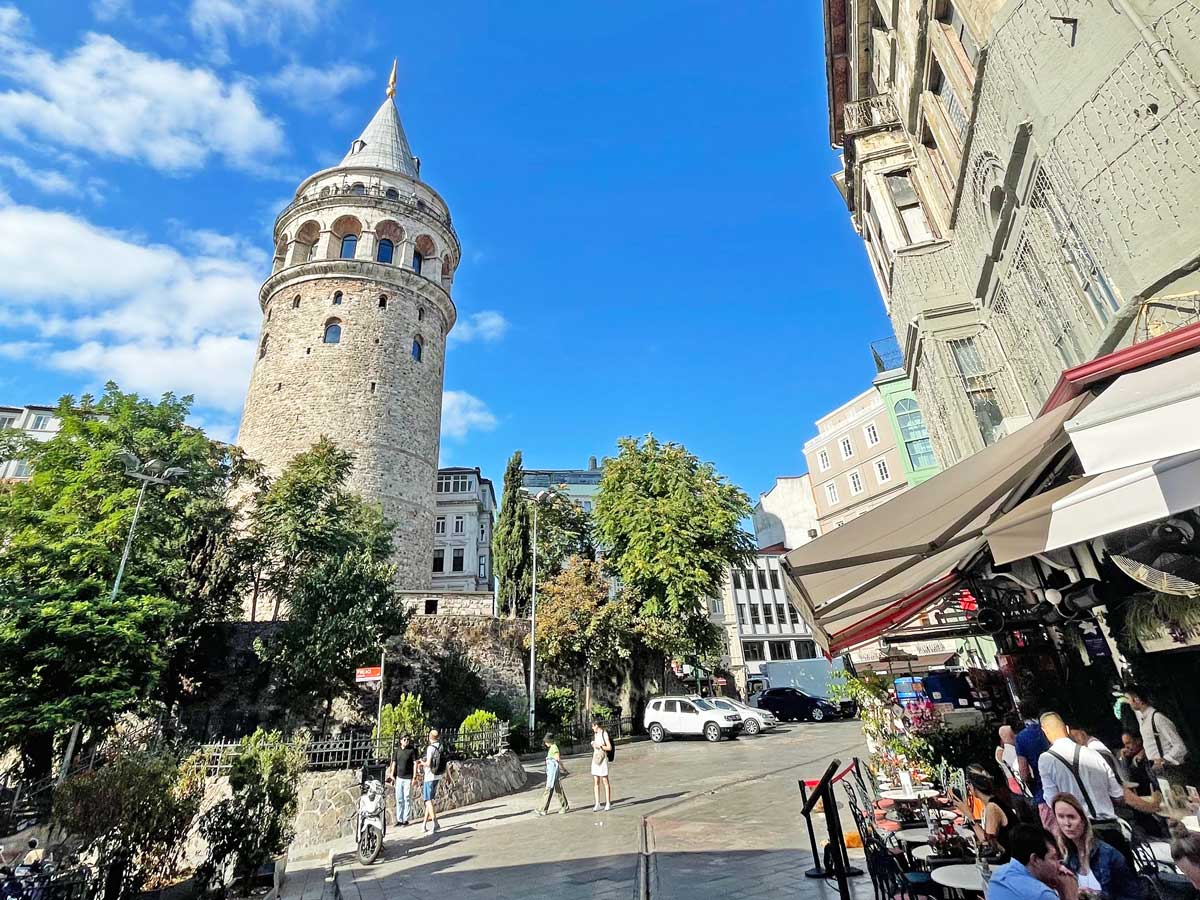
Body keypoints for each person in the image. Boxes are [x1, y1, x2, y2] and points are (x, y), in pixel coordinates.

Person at [1039, 712, 1157, 860]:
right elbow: (1118, 795)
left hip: (1081, 836)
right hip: (1111, 830)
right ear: (1067, 729)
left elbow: (1052, 801)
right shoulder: (1094, 755)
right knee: (1127, 878)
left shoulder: (1046, 760)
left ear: (1044, 732)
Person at [1052, 792, 1143, 899]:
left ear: (1083, 820)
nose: (1067, 823)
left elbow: (1132, 896)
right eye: (1061, 817)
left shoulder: (1109, 855)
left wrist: (1097, 896)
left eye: (1071, 817)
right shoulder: (1063, 858)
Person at [987, 823, 1080, 900]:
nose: (1059, 865)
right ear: (1035, 859)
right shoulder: (1041, 895)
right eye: (1053, 857)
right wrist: (1069, 892)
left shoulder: (998, 874)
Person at [1126, 685, 1188, 785]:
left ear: (1137, 699)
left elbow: (1180, 746)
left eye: (1128, 699)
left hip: (1169, 770)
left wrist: (1164, 760)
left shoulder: (1157, 718)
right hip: (1156, 770)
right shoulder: (1144, 720)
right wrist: (1143, 753)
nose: (1128, 702)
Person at [953, 765, 1015, 852]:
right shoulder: (993, 802)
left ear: (972, 786)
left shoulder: (992, 807)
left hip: (1010, 857)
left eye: (968, 784)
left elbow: (989, 844)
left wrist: (969, 815)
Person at [1016, 705, 1054, 828]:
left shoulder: (1021, 738)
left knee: (1054, 838)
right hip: (1066, 786)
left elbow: (1024, 772)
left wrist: (1029, 783)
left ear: (1021, 715)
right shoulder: (1049, 729)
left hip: (1043, 792)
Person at [534, 733, 569, 816]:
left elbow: (557, 759)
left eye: (546, 741)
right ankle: (564, 806)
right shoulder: (552, 748)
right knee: (557, 788)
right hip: (552, 772)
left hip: (553, 772)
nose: (545, 743)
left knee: (548, 789)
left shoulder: (554, 748)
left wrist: (563, 768)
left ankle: (542, 809)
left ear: (549, 741)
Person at [387, 733, 416, 827]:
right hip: (399, 777)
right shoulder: (397, 751)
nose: (406, 741)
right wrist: (391, 774)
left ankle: (405, 819)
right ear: (400, 741)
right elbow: (394, 762)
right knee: (399, 798)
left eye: (408, 739)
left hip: (408, 778)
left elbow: (415, 763)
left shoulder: (411, 750)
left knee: (407, 798)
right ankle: (399, 819)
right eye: (404, 739)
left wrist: (414, 777)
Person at [421, 728, 443, 835]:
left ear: (430, 738)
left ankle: (435, 823)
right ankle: (424, 824)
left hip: (429, 776)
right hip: (438, 775)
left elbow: (428, 763)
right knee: (428, 801)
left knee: (427, 800)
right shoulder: (440, 746)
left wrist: (422, 763)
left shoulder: (430, 748)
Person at [1117, 731, 1154, 796]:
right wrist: (1123, 759)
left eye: (1128, 743)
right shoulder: (1130, 759)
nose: (1126, 747)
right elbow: (1128, 780)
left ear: (1138, 741)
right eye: (1124, 744)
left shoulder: (1149, 753)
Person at [590, 721, 613, 811]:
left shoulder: (604, 733)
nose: (592, 728)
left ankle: (608, 802)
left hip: (603, 758)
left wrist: (600, 746)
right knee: (596, 780)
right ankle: (597, 803)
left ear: (597, 726)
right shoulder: (595, 734)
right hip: (596, 758)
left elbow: (609, 747)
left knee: (605, 780)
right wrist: (594, 745)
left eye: (593, 726)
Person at [998, 723, 1026, 795]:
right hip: (1017, 781)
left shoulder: (1004, 751)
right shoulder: (1010, 751)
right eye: (1013, 734)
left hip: (1012, 781)